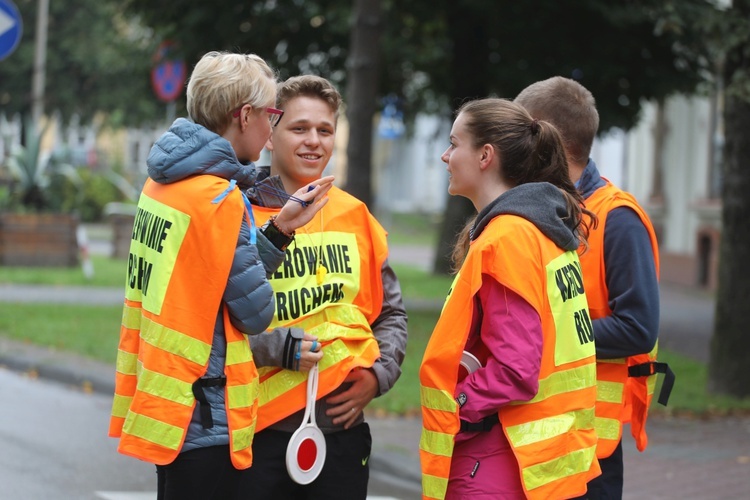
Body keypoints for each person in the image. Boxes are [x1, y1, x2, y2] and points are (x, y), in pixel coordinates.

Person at [108, 51, 333, 500]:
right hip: (208, 408)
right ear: (245, 115)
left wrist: (280, 227)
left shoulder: (163, 184)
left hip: (167, 399)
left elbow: (208, 278)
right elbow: (254, 312)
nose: (272, 128)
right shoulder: (220, 200)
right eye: (272, 114)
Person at [419, 97, 601, 500]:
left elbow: (516, 369)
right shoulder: (540, 229)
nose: (445, 156)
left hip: (499, 460)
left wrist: (457, 405)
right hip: (530, 458)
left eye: (454, 144)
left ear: (485, 155)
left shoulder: (508, 236)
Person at [242, 74, 408, 500]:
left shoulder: (356, 215)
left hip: (340, 434)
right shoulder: (238, 212)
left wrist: (378, 374)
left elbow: (390, 313)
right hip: (256, 430)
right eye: (299, 128)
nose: (313, 141)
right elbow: (214, 322)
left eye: (325, 130)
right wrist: (276, 349)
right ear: (270, 134)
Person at [515, 77, 671, 499]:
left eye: (521, 135)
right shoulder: (540, 210)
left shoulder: (617, 219)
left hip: (588, 451)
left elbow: (638, 329)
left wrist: (538, 335)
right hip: (534, 436)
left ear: (547, 140)